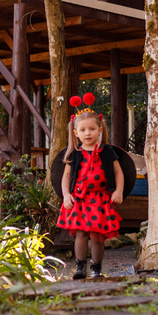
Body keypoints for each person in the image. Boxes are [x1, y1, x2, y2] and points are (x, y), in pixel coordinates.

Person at [57, 96, 125, 279]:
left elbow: (118, 173)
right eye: (83, 130)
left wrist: (118, 191)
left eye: (92, 129)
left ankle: (97, 269)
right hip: (80, 200)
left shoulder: (107, 152)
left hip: (101, 199)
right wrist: (66, 195)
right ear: (76, 133)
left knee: (97, 236)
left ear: (99, 130)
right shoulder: (75, 154)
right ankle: (80, 267)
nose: (88, 133)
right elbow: (66, 176)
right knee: (80, 234)